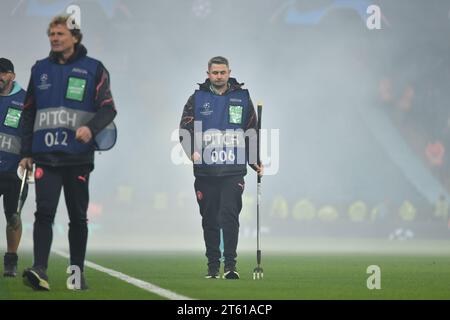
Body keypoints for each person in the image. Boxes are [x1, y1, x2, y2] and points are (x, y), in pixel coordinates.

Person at [19, 15, 117, 291]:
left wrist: (91, 128)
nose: (54, 38)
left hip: (78, 157)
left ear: (75, 37)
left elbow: (108, 108)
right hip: (45, 156)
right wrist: (25, 152)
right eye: (51, 34)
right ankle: (40, 270)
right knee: (44, 213)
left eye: (60, 34)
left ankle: (76, 274)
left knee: (78, 217)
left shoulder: (94, 69)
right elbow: (28, 114)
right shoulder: (39, 70)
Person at [179, 56, 263, 279]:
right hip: (206, 170)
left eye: (222, 72)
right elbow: (184, 129)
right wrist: (191, 152)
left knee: (229, 216)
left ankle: (230, 266)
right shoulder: (196, 99)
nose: (218, 76)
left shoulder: (242, 98)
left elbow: (251, 130)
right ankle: (213, 267)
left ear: (229, 72)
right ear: (208, 73)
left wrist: (255, 161)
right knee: (210, 220)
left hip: (233, 170)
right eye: (214, 73)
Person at [0, 58, 28, 277]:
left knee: (13, 217)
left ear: (12, 76)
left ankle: (11, 260)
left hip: (15, 171)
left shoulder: (26, 100)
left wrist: (30, 157)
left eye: (3, 73)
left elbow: (34, 134)